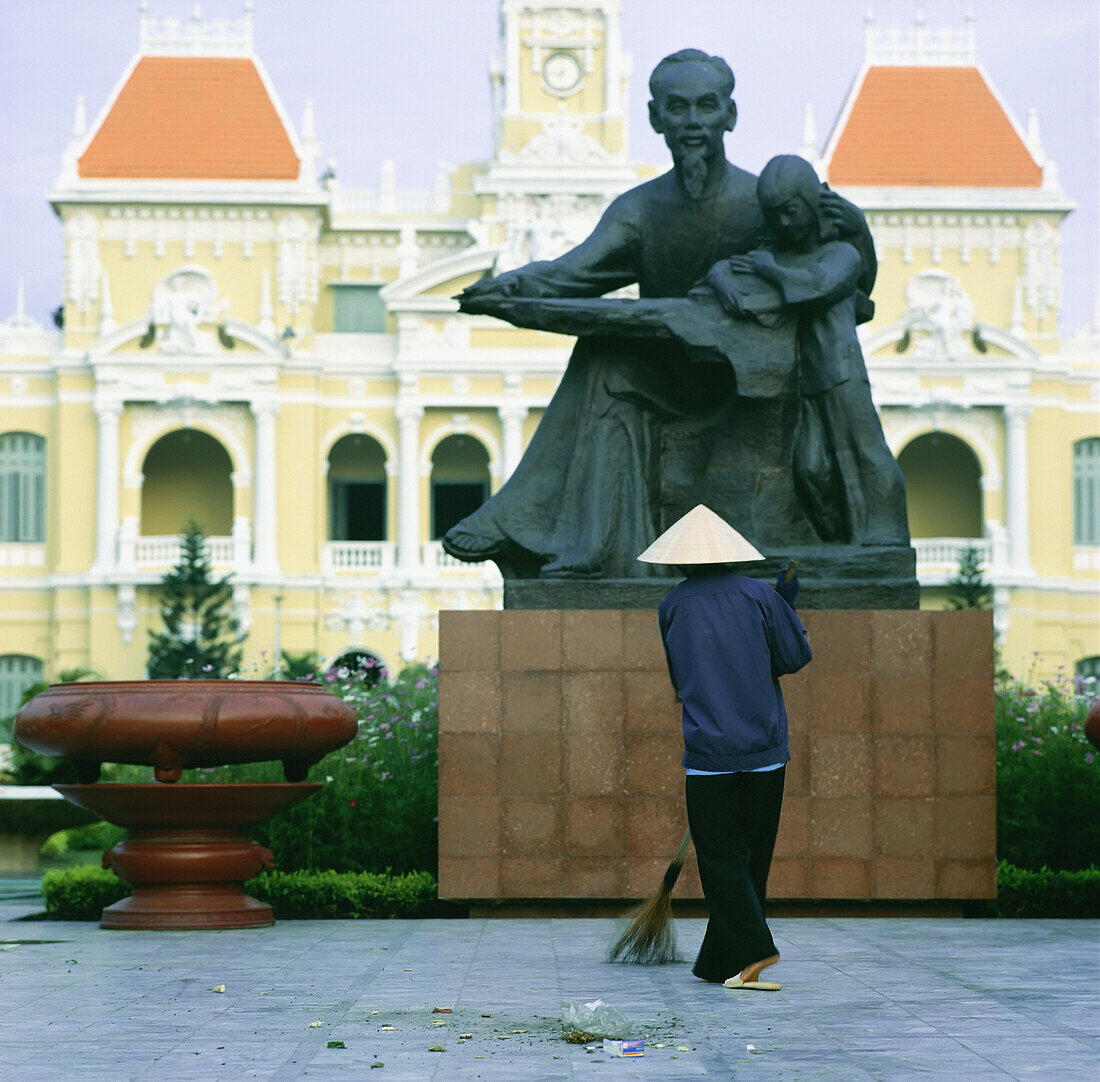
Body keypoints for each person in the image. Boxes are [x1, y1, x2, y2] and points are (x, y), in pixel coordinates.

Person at [444, 50, 876, 579]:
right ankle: (590, 548)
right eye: (677, 109)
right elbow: (571, 273)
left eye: (706, 107)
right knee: (604, 356)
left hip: (751, 382)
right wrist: (509, 288)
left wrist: (857, 232)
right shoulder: (640, 209)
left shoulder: (763, 200)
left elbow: (843, 279)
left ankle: (521, 522)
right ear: (655, 118)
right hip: (671, 374)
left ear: (730, 115)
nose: (693, 123)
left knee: (607, 355)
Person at [638, 503, 811, 989]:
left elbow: (681, 678)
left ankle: (752, 951)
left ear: (681, 560)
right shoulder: (761, 596)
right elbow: (794, 658)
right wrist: (786, 608)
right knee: (749, 861)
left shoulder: (671, 606)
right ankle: (724, 961)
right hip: (765, 752)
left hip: (709, 754)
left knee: (720, 861)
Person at [707, 154, 909, 546]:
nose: (783, 222)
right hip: (798, 378)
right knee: (811, 468)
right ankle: (840, 543)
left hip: (839, 372)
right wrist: (721, 281)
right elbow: (726, 268)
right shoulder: (778, 255)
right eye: (775, 214)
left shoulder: (841, 255)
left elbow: (812, 288)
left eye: (791, 211)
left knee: (864, 452)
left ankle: (886, 538)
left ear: (811, 202)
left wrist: (769, 271)